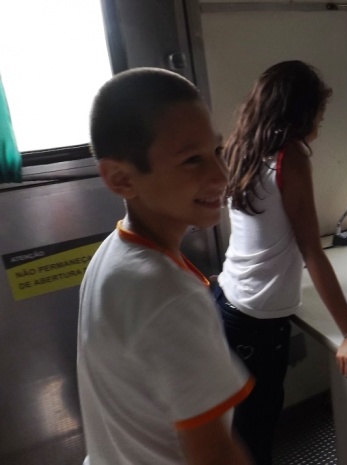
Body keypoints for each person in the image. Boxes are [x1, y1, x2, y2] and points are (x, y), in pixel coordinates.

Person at [77, 67, 254, 465]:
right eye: (192, 160)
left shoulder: (115, 252)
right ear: (121, 179)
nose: (221, 175)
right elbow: (215, 457)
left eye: (217, 152)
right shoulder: (167, 294)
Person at [213, 60, 347, 465]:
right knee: (257, 430)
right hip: (257, 319)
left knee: (241, 424)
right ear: (302, 112)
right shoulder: (291, 156)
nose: (321, 121)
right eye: (320, 112)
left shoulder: (243, 145)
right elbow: (311, 251)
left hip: (228, 298)